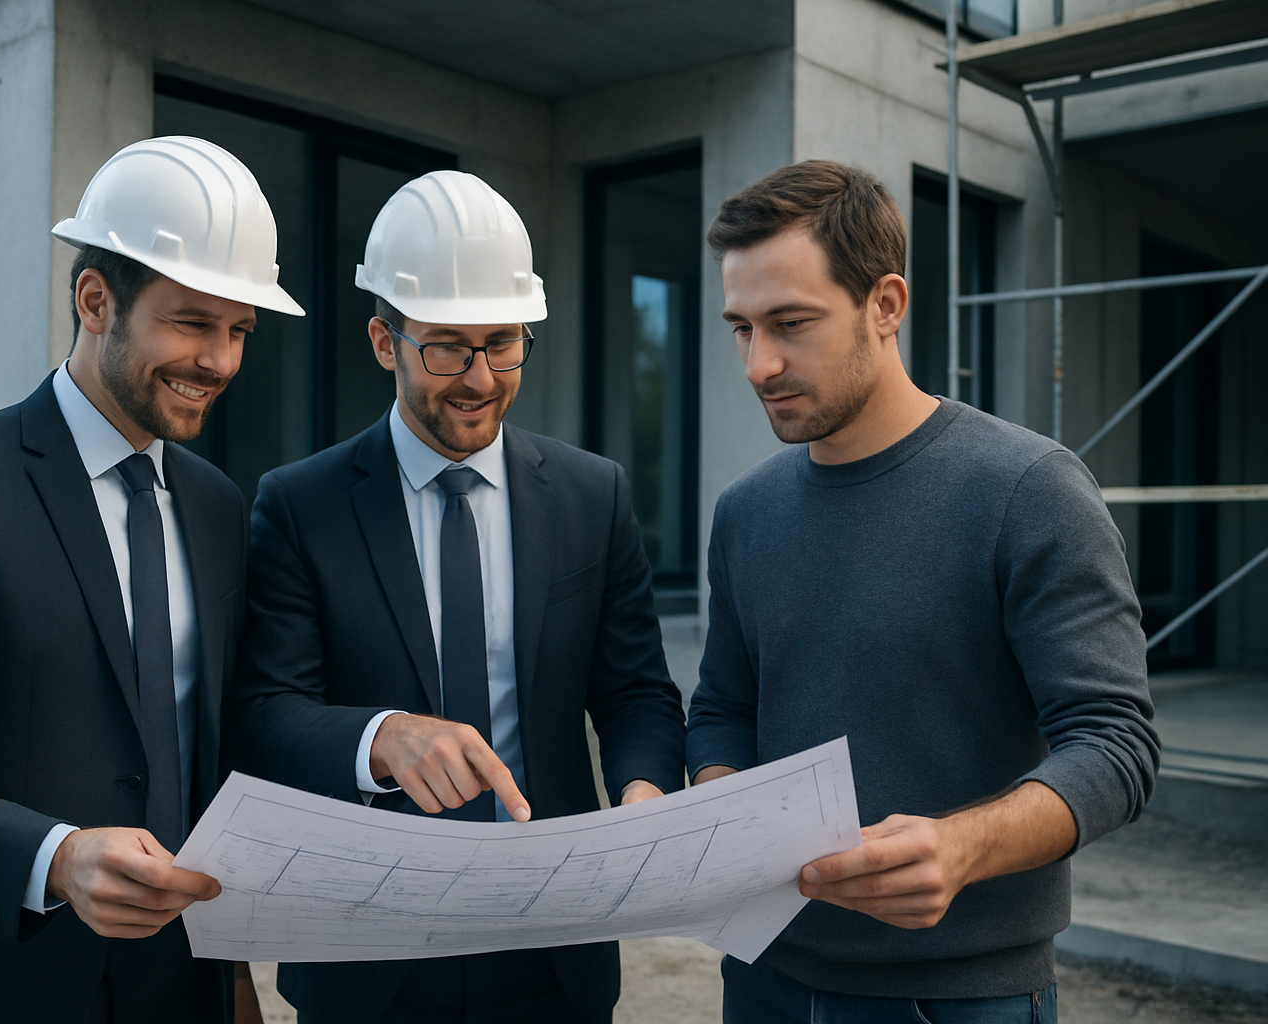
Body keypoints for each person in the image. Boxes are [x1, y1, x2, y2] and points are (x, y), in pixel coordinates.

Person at [0, 136, 304, 1024]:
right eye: (193, 322)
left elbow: (206, 754)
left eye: (239, 331)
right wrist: (53, 856)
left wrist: (227, 969)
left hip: (171, 992)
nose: (222, 361)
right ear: (94, 299)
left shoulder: (221, 507)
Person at [686, 160, 1159, 1022]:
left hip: (960, 996)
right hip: (762, 980)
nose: (760, 365)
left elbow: (1116, 745)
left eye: (791, 323)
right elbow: (722, 706)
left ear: (886, 305)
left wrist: (963, 846)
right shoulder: (744, 512)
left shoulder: (1028, 489)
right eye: (742, 329)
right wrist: (720, 799)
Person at [232, 169, 687, 1024]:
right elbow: (262, 714)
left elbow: (637, 694)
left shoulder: (596, 496)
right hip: (368, 955)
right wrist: (380, 739)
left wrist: (642, 795)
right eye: (446, 346)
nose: (479, 377)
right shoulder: (300, 504)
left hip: (556, 946)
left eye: (503, 342)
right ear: (382, 340)